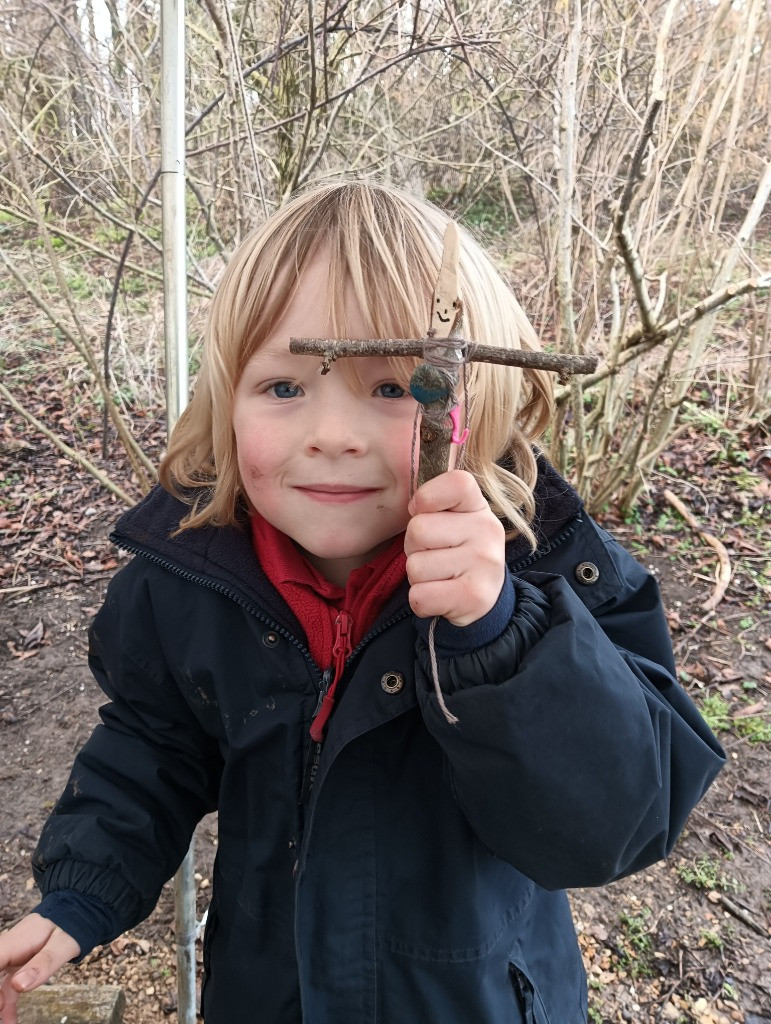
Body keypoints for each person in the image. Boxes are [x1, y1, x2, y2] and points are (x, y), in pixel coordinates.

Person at [0, 181, 724, 1024]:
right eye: (283, 388)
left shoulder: (550, 574)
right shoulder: (192, 577)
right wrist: (78, 897)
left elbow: (614, 823)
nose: (331, 434)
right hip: (267, 995)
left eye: (394, 389)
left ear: (472, 407)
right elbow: (154, 747)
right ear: (227, 401)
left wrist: (500, 637)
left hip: (476, 1003)